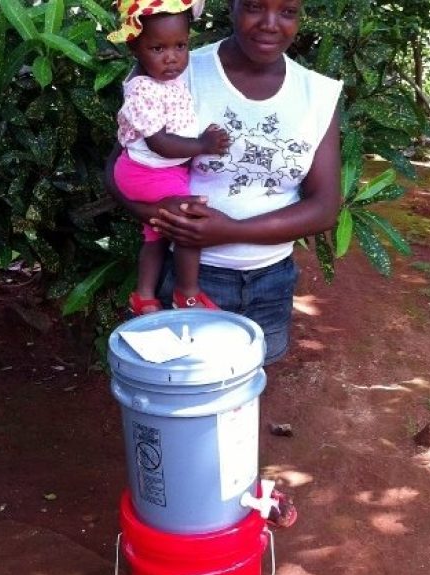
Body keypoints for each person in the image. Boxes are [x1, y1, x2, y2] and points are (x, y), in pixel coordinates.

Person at [105, 0, 343, 366]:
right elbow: (121, 163)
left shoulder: (317, 94)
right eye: (253, 7)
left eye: (288, 12)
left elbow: (324, 207)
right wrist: (151, 210)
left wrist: (230, 230)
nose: (269, 23)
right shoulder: (178, 66)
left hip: (271, 280)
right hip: (193, 276)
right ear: (230, 6)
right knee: (181, 388)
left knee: (245, 390)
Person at [107, 0, 230, 315]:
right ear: (136, 48)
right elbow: (161, 143)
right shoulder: (143, 91)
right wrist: (203, 144)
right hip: (147, 172)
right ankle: (187, 294)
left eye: (181, 46)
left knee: (155, 234)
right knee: (187, 224)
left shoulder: (162, 78)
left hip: (156, 171)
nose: (172, 57)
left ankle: (144, 295)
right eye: (158, 49)